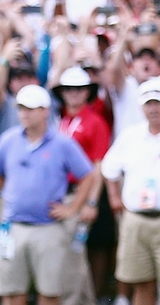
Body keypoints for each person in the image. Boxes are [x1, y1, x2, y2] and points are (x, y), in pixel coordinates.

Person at [0, 84, 96, 305]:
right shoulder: (8, 140)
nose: (24, 113)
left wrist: (72, 208)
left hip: (48, 228)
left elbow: (88, 176)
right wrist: (14, 192)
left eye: (31, 108)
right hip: (13, 225)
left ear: (45, 110)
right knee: (12, 293)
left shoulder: (63, 143)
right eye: (21, 108)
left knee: (50, 293)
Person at [100, 78, 160, 305]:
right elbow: (109, 168)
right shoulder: (130, 135)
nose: (153, 109)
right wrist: (115, 197)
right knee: (141, 284)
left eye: (157, 103)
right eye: (148, 104)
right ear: (142, 107)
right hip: (137, 219)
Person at [51, 66, 111, 305]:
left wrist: (92, 202)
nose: (74, 93)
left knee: (72, 256)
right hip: (61, 194)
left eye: (79, 89)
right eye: (68, 89)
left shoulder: (95, 122)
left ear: (88, 92)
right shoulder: (63, 120)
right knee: (70, 255)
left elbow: (98, 166)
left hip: (80, 195)